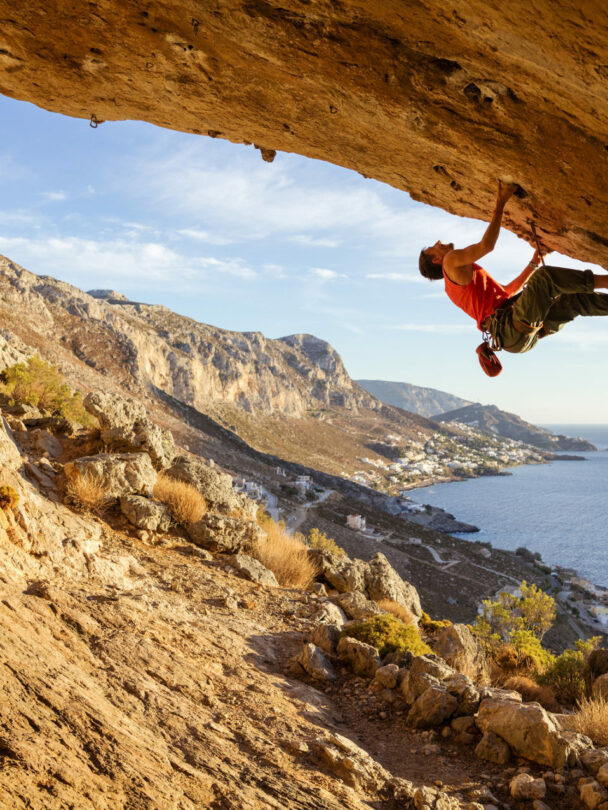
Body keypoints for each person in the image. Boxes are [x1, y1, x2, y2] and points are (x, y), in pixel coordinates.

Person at [418, 180, 608, 355]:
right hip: (510, 326)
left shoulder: (456, 285)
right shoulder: (450, 260)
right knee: (546, 278)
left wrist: (533, 262)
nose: (439, 242)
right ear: (436, 260)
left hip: (513, 337)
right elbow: (486, 246)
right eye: (434, 247)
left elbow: (509, 290)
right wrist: (500, 203)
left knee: (574, 299)